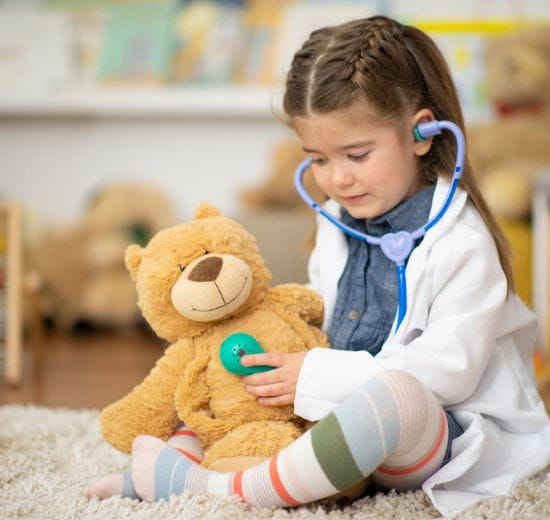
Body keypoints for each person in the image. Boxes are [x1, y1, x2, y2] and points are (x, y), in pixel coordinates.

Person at [87, 15, 550, 518]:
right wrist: (271, 354)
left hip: (442, 436)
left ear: (421, 134)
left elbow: (446, 376)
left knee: (398, 396)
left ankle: (225, 492)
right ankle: (165, 474)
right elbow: (319, 312)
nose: (338, 180)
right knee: (223, 380)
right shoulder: (337, 221)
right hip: (339, 419)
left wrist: (316, 374)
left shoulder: (462, 242)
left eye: (356, 154)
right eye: (320, 159)